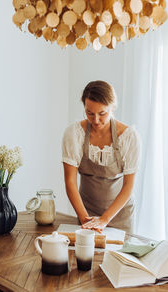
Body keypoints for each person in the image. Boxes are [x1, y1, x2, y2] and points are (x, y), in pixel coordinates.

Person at [62, 80, 140, 234]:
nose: (96, 120)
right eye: (89, 113)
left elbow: (128, 186)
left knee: (121, 257)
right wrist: (85, 220)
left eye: (102, 113)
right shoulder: (74, 134)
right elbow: (70, 181)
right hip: (86, 213)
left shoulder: (129, 137)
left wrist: (104, 219)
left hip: (120, 216)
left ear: (112, 107)